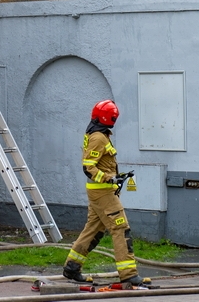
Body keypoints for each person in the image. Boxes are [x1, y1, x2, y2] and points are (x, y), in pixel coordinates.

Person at [62, 99, 143, 287]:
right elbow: (88, 167)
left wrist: (114, 177)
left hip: (101, 192)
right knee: (120, 228)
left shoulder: (99, 134)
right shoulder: (99, 137)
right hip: (103, 193)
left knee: (93, 230)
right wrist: (109, 178)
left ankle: (72, 267)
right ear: (109, 118)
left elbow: (99, 163)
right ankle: (128, 274)